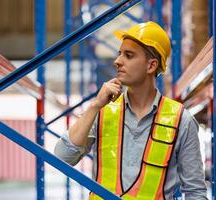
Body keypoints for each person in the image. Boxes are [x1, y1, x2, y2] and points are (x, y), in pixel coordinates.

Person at [54, 21, 207, 199]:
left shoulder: (181, 120)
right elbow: (62, 158)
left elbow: (195, 192)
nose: (117, 61)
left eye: (128, 55)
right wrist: (94, 106)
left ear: (151, 66)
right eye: (120, 54)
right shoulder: (103, 111)